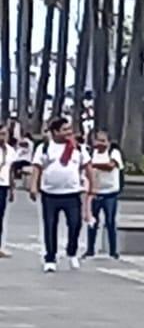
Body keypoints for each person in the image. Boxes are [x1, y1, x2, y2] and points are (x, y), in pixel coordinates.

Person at [29, 116, 89, 273]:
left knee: (75, 224)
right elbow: (37, 167)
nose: (69, 133)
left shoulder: (78, 148)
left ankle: (72, 251)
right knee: (50, 226)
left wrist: (92, 186)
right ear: (55, 132)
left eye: (70, 129)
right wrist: (33, 186)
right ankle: (50, 258)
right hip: (50, 194)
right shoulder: (45, 147)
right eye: (65, 130)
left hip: (72, 193)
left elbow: (87, 167)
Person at [84, 130, 123, 260]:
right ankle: (90, 249)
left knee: (110, 221)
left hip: (110, 192)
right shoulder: (91, 153)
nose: (100, 144)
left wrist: (92, 165)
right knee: (93, 222)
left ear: (109, 142)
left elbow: (110, 166)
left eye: (103, 141)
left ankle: (113, 250)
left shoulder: (114, 153)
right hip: (95, 192)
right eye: (98, 140)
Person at [0, 130, 19, 259]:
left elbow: (11, 170)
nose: (3, 137)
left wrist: (12, 188)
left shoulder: (11, 151)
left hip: (3, 186)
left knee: (0, 216)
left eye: (5, 134)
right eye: (1, 134)